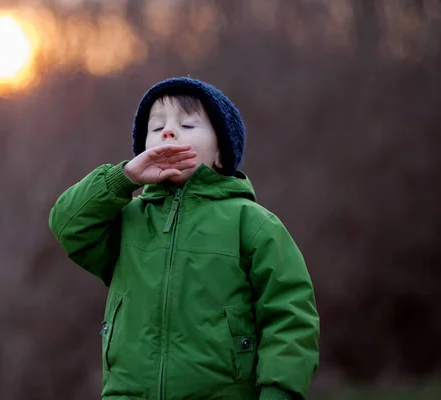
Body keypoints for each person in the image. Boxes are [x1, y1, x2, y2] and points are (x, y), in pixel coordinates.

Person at [49, 77, 320, 400]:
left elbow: (290, 317)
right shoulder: (129, 220)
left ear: (222, 154)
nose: (168, 131)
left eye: (188, 125)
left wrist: (278, 394)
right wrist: (124, 178)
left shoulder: (252, 224)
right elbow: (67, 224)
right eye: (156, 127)